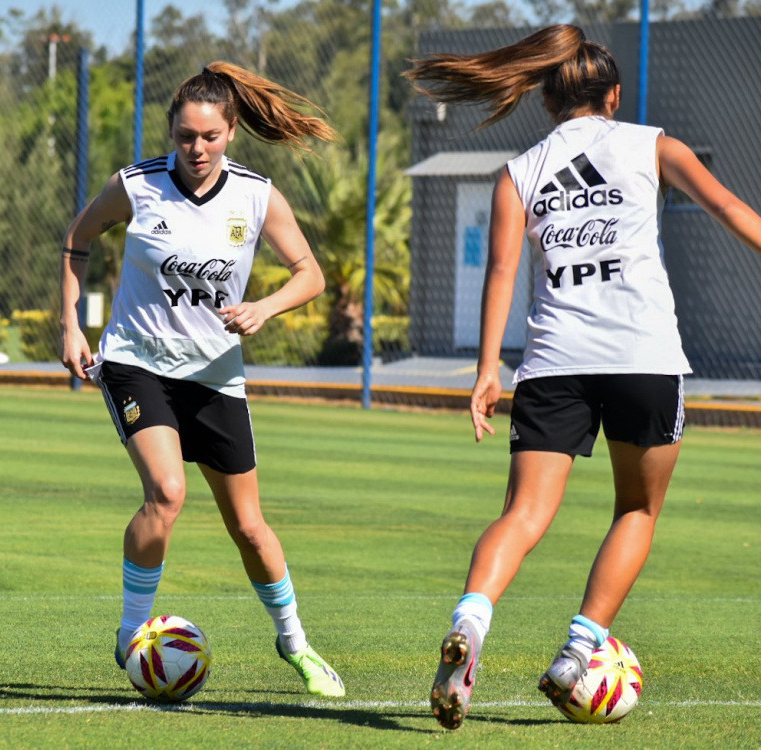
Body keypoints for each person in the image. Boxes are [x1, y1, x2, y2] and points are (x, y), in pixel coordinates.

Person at [404, 24, 761, 729]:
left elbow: (502, 273)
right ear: (615, 96)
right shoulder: (654, 144)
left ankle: (470, 624)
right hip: (643, 358)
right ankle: (576, 654)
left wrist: (485, 373)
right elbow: (726, 207)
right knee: (636, 509)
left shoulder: (518, 171)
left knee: (523, 515)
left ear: (546, 102)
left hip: (553, 362)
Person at [59, 62, 345, 697]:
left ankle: (295, 642)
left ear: (232, 132)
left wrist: (264, 307)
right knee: (167, 491)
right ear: (171, 131)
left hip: (216, 376)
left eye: (210, 136)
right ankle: (133, 633)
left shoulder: (256, 195)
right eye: (186, 136)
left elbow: (309, 272)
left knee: (248, 527)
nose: (197, 149)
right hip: (137, 363)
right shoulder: (137, 186)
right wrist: (71, 326)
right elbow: (78, 237)